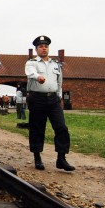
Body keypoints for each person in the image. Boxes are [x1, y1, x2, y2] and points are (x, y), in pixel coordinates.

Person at [25, 35, 75, 171]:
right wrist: (38, 77)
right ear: (36, 49)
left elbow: (59, 82)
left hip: (53, 100)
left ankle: (61, 158)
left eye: (46, 46)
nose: (44, 49)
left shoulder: (55, 64)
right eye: (41, 46)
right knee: (37, 128)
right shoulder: (31, 63)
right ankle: (37, 157)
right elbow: (30, 73)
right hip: (37, 99)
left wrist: (59, 96)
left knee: (61, 127)